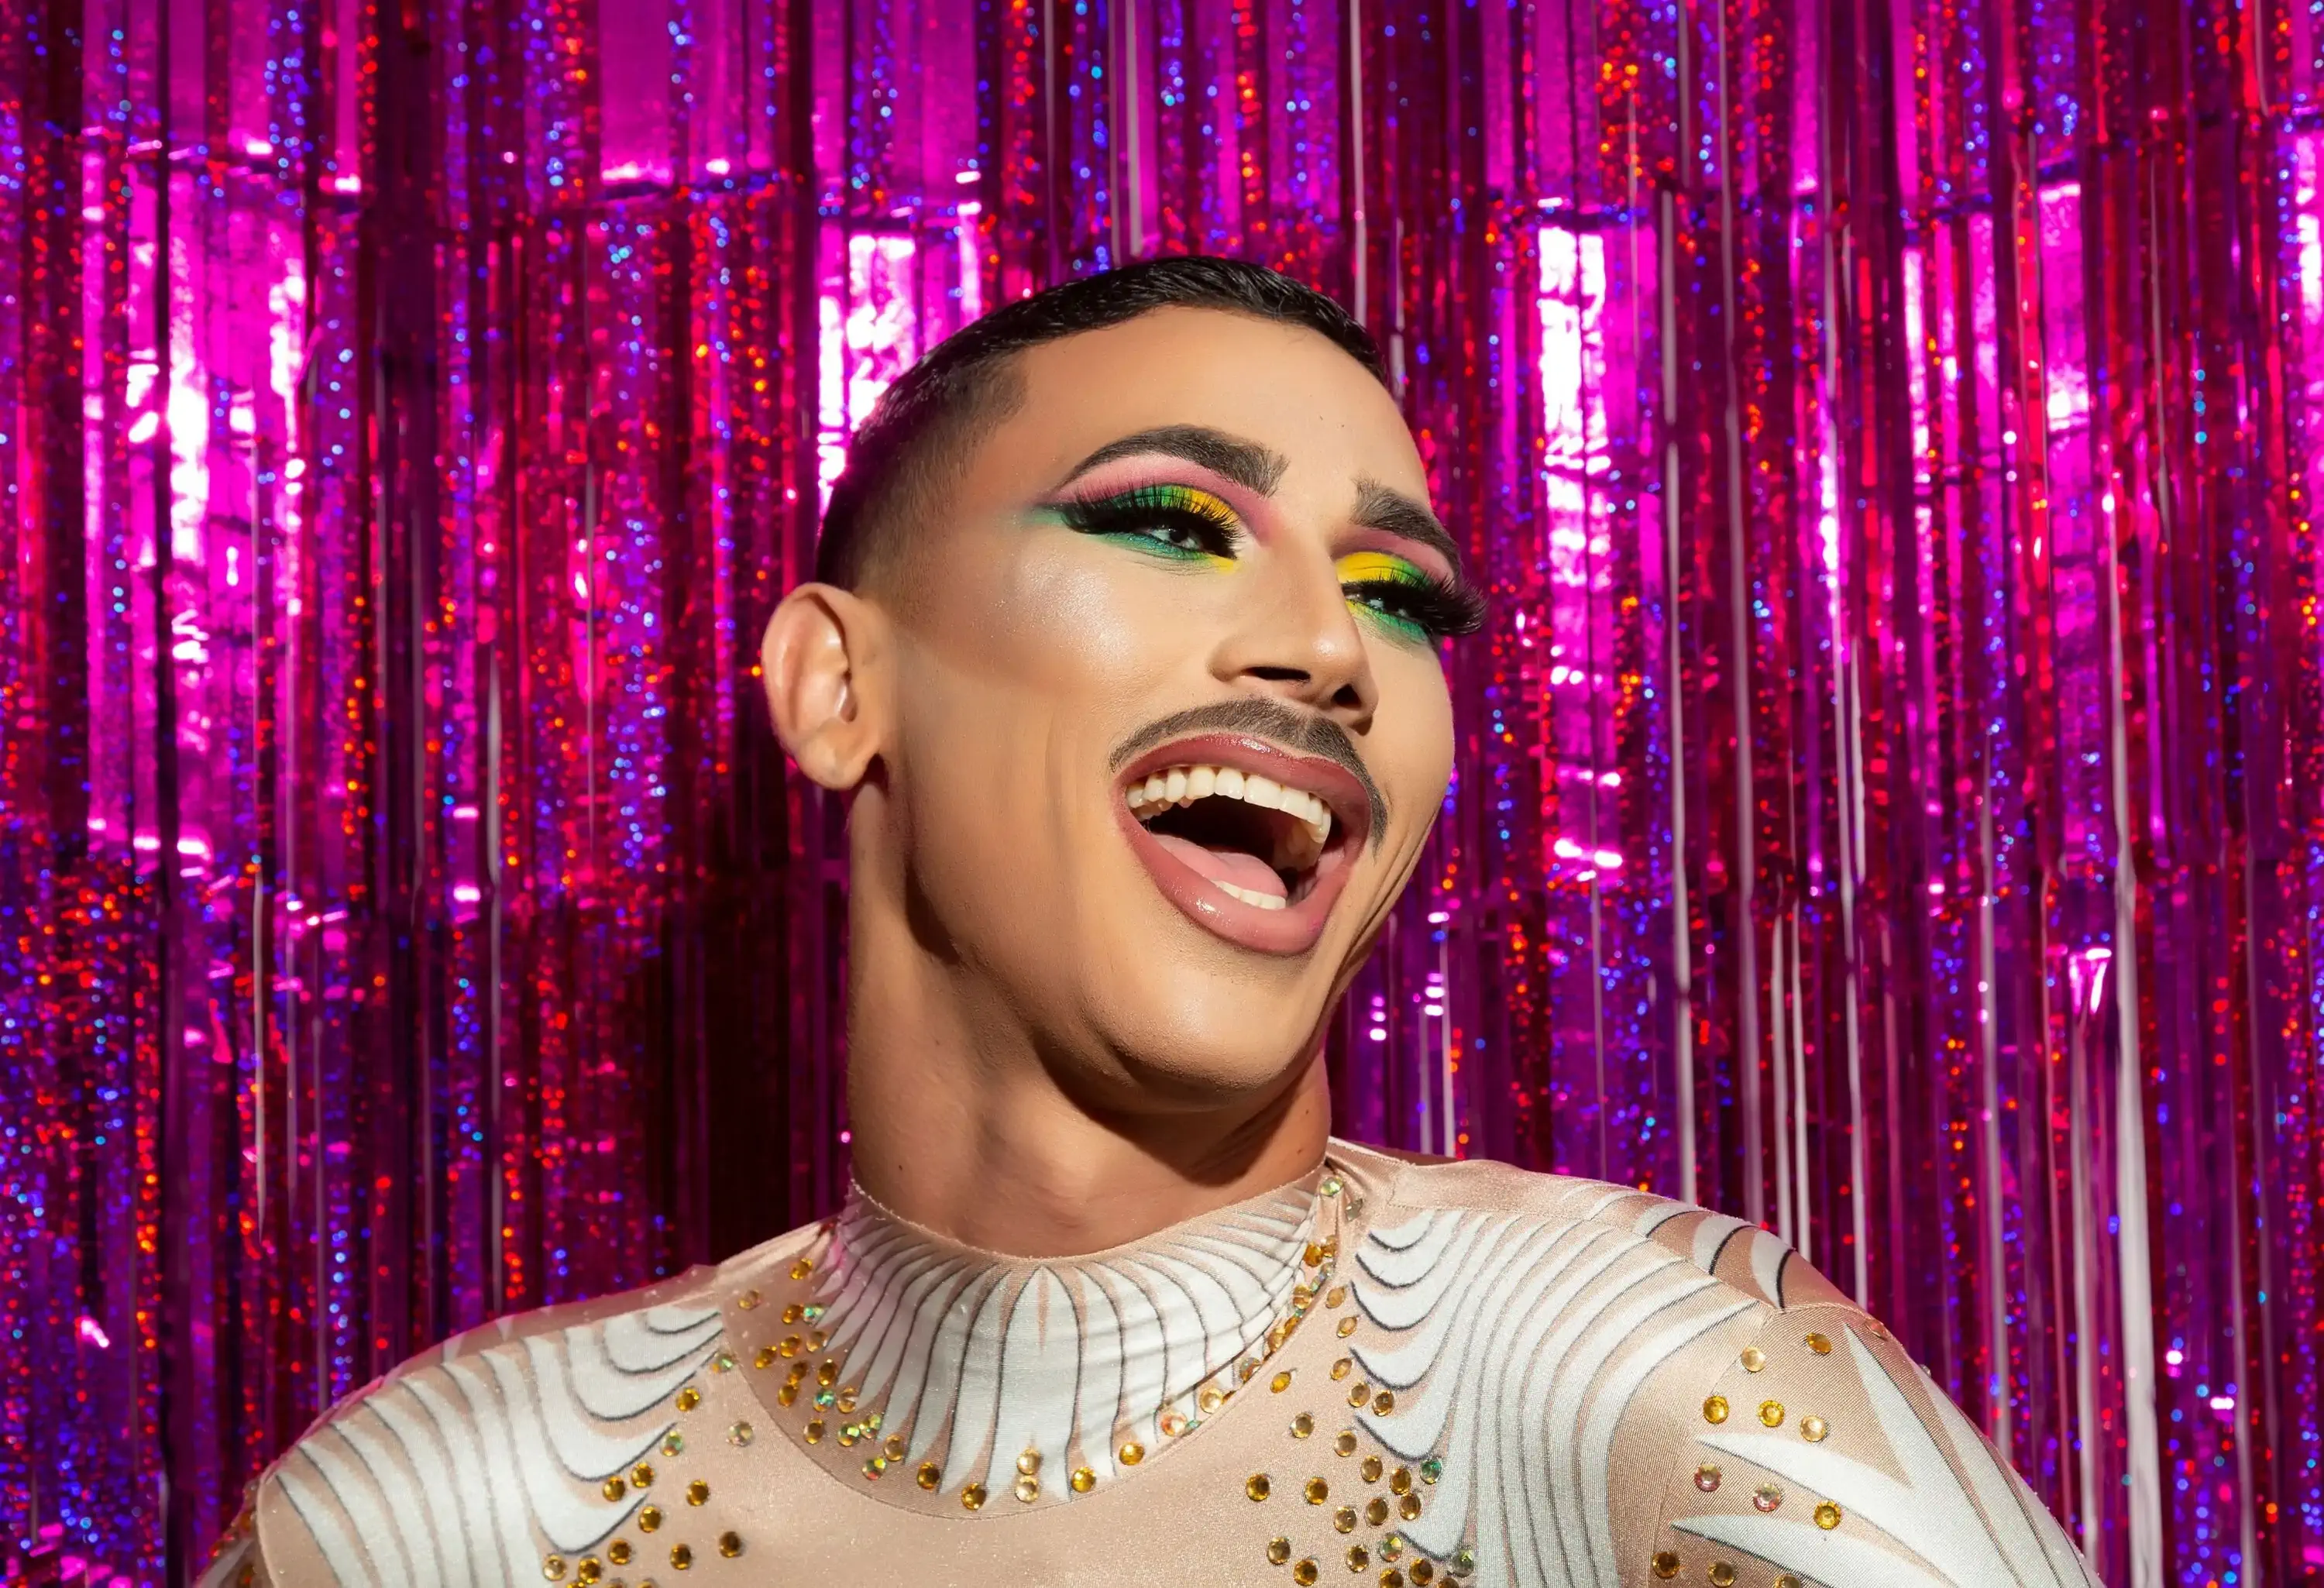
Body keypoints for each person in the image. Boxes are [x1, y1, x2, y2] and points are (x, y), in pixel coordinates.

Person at [203, 256, 2095, 1588]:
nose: (1329, 646)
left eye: (1399, 589)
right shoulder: (440, 1514)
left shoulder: (1638, 1381)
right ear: (836, 685)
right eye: (1176, 524)